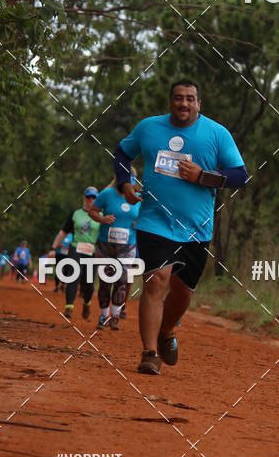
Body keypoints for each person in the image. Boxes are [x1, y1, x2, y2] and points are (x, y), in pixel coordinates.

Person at [114, 79, 248, 374]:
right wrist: (124, 182)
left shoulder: (216, 134)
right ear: (170, 102)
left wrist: (203, 176)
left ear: (199, 103)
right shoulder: (149, 128)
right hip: (154, 220)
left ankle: (166, 331)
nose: (183, 104)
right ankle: (149, 354)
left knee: (182, 293)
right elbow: (123, 153)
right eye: (178, 98)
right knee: (155, 281)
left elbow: (240, 176)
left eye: (190, 99)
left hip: (195, 228)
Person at [89, 176, 141, 330]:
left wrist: (139, 222)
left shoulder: (138, 197)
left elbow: (147, 214)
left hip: (128, 246)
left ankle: (116, 316)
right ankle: (103, 316)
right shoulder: (106, 194)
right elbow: (92, 211)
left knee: (121, 280)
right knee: (105, 281)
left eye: (131, 182)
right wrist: (102, 219)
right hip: (106, 245)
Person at [49, 187, 103, 320]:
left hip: (92, 251)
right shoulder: (75, 214)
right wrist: (53, 247)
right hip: (76, 248)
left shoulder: (101, 215)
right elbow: (63, 232)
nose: (91, 200)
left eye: (94, 197)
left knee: (89, 283)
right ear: (84, 197)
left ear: (97, 199)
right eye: (88, 197)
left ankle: (87, 303)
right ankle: (69, 307)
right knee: (72, 277)